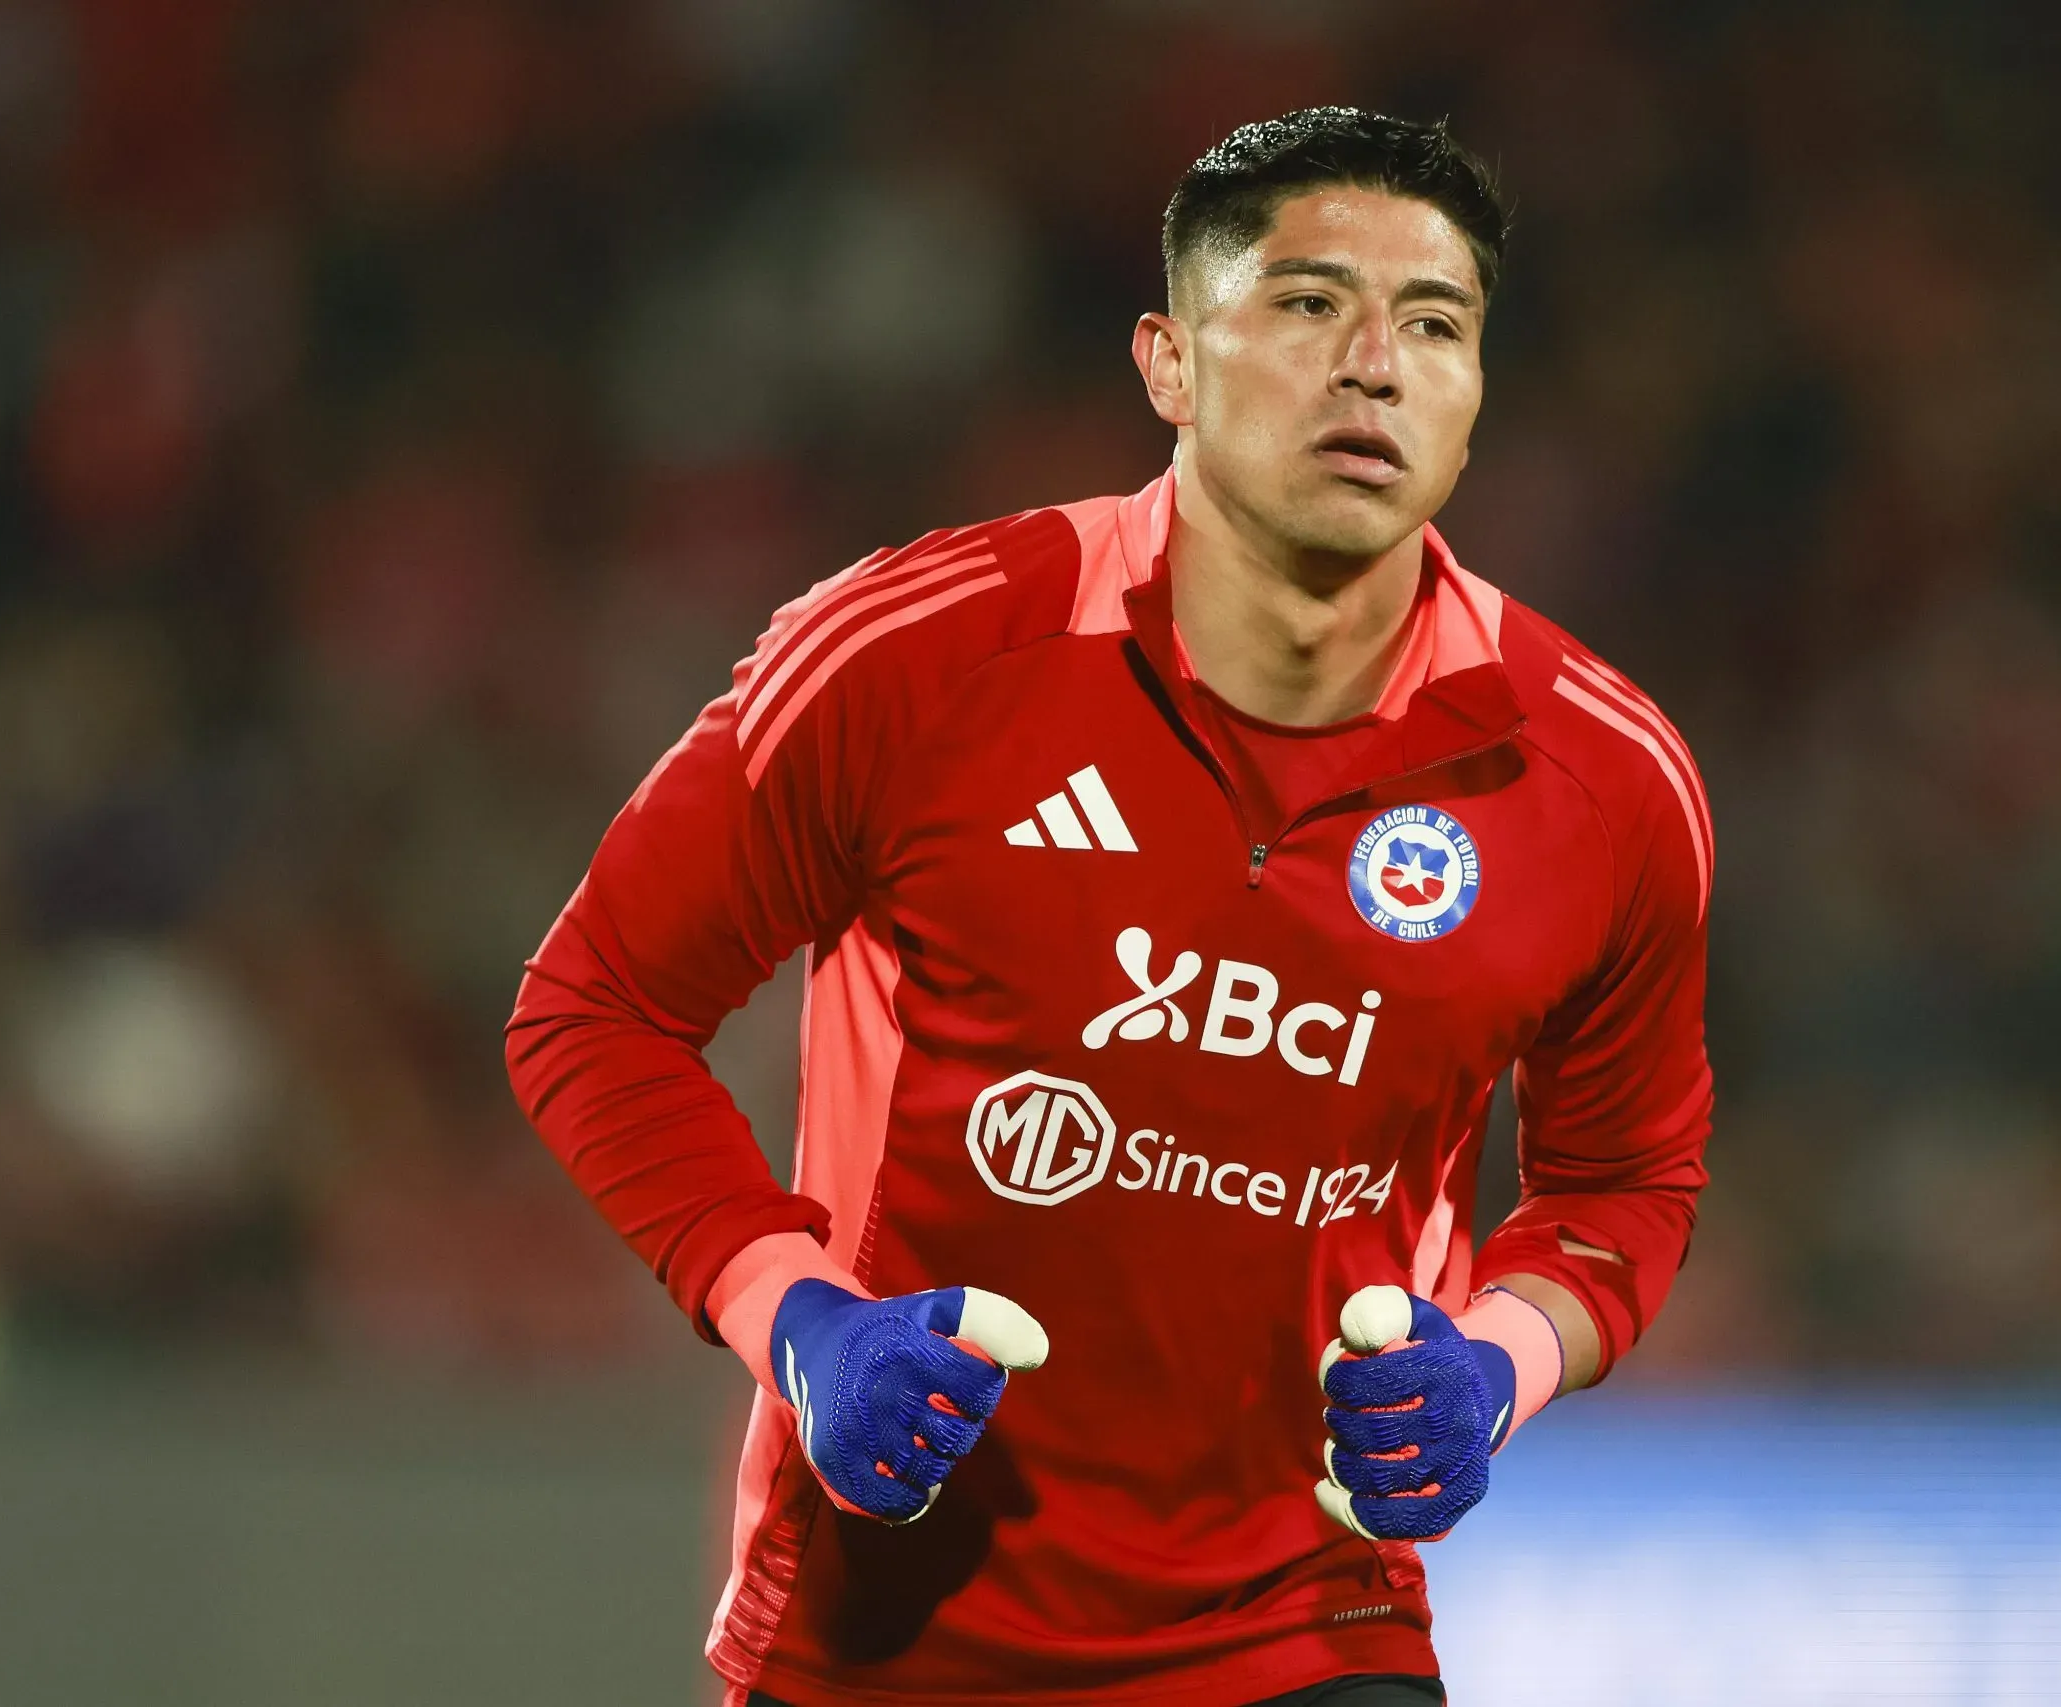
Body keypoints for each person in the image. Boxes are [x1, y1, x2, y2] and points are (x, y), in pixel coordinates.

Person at [508, 106, 1714, 1707]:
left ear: (1477, 394)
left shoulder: (1604, 781)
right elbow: (596, 1007)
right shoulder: (917, 658)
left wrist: (1496, 1366)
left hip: (1312, 1630)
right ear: (1166, 361)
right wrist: (797, 1321)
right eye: (1306, 304)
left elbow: (1624, 1177)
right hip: (888, 1630)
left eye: (1435, 324)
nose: (1375, 363)